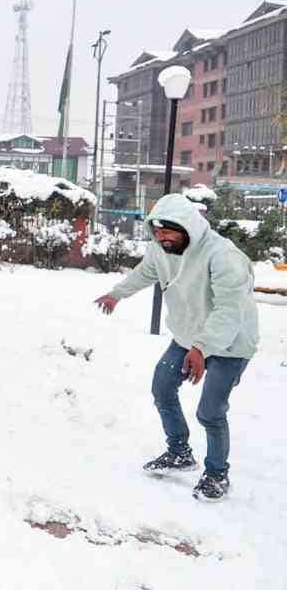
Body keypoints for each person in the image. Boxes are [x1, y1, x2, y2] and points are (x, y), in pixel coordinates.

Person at [93, 193, 259, 501]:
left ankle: (217, 474)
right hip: (188, 335)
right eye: (157, 231)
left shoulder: (223, 256)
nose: (162, 237)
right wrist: (117, 293)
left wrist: (202, 347)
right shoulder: (161, 250)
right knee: (163, 388)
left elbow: (230, 311)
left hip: (231, 342)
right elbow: (146, 272)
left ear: (188, 228)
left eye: (168, 231)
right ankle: (180, 452)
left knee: (210, 411)